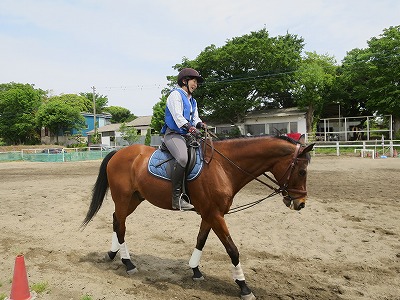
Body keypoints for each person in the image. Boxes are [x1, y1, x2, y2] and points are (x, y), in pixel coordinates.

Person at [161, 68, 206, 211]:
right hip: (173, 134)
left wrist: (200, 124)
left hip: (186, 135)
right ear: (185, 81)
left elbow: (195, 118)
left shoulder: (192, 101)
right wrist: (191, 128)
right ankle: (176, 199)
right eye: (194, 81)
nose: (196, 85)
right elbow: (178, 117)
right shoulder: (175, 95)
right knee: (182, 158)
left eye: (197, 82)